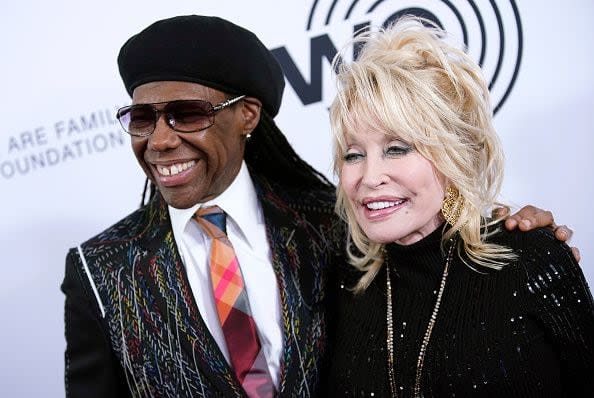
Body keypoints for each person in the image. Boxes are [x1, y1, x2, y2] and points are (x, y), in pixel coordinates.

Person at [61, 15, 576, 398]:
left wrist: (507, 232)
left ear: (247, 116)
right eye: (143, 118)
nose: (160, 139)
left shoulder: (330, 224)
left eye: (187, 114)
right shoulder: (101, 269)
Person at [326, 17, 594, 397]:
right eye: (353, 154)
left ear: (455, 157)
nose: (369, 176)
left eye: (397, 148)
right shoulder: (344, 282)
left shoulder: (529, 259)